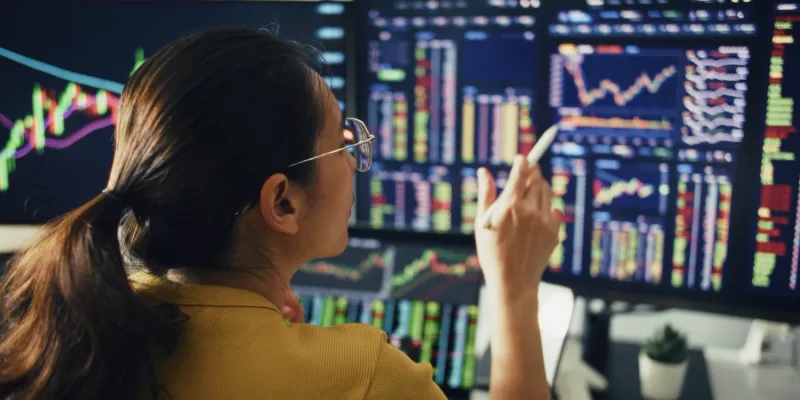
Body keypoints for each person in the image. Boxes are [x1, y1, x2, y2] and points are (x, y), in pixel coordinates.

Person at [0, 28, 561, 400]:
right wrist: (514, 289)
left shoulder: (74, 335)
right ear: (282, 202)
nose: (354, 155)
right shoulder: (364, 377)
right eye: (342, 140)